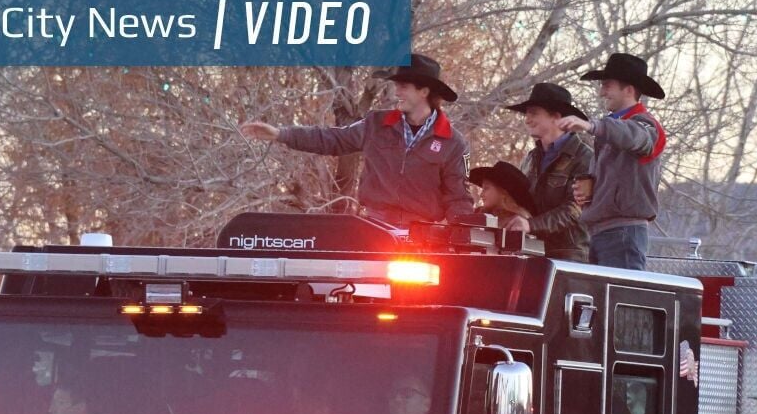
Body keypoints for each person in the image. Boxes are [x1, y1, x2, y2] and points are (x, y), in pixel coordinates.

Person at [239, 53, 473, 227]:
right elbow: (333, 139)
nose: (396, 92)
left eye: (403, 86)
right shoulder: (376, 124)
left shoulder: (454, 143)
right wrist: (282, 134)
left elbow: (459, 197)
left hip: (423, 236)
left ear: (424, 91)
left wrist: (462, 239)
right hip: (373, 228)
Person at [555, 53, 667, 270]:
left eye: (607, 85)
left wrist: (591, 126)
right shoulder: (613, 128)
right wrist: (593, 190)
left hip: (624, 233)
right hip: (602, 232)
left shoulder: (646, 125)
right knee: (602, 301)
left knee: (621, 301)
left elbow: (636, 137)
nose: (601, 92)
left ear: (628, 90)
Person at [503, 82, 594, 261]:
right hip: (531, 252)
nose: (527, 119)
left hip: (568, 257)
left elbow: (575, 210)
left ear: (556, 117)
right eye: (527, 114)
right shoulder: (530, 158)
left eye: (534, 113)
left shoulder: (585, 157)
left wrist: (530, 225)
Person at [469, 161, 537, 231]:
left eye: (486, 188)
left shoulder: (518, 224)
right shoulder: (477, 215)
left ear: (503, 192)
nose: (481, 194)